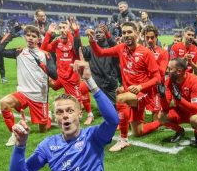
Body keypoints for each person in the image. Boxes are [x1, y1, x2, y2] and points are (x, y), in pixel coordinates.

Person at [85, 22, 161, 152]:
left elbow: (157, 78)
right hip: (131, 92)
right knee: (138, 131)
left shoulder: (146, 53)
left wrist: (140, 86)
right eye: (124, 32)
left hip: (145, 93)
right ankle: (162, 121)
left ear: (137, 34)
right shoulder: (121, 48)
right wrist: (92, 41)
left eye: (129, 32)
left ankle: (123, 140)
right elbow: (100, 53)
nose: (126, 35)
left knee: (120, 98)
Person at [0, 25, 58, 146]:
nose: (30, 38)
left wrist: (43, 66)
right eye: (28, 35)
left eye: (34, 36)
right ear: (24, 37)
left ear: (39, 39)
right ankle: (14, 133)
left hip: (40, 96)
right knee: (4, 102)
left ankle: (48, 116)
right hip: (23, 93)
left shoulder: (45, 55)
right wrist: (11, 33)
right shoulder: (19, 52)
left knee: (43, 130)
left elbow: (55, 75)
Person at [42, 21, 94, 125]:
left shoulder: (73, 41)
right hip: (60, 76)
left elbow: (78, 49)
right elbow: (43, 49)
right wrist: (48, 33)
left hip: (72, 77)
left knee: (79, 97)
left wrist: (74, 32)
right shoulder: (57, 41)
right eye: (60, 28)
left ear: (68, 29)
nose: (62, 30)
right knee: (48, 83)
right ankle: (46, 112)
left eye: (64, 27)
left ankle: (89, 115)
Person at [158, 57, 197, 147]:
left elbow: (195, 108)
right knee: (161, 116)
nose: (167, 71)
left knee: (195, 120)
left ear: (179, 71)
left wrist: (180, 99)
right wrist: (162, 96)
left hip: (195, 111)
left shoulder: (194, 80)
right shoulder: (169, 81)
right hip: (180, 111)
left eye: (170, 69)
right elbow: (165, 107)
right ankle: (180, 131)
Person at [78, 24, 120, 105]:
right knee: (83, 86)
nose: (97, 34)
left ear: (106, 33)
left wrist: (108, 34)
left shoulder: (112, 48)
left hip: (110, 83)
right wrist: (76, 34)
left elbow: (114, 45)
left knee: (115, 106)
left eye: (100, 32)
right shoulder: (91, 47)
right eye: (96, 32)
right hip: (96, 82)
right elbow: (79, 50)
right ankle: (88, 110)